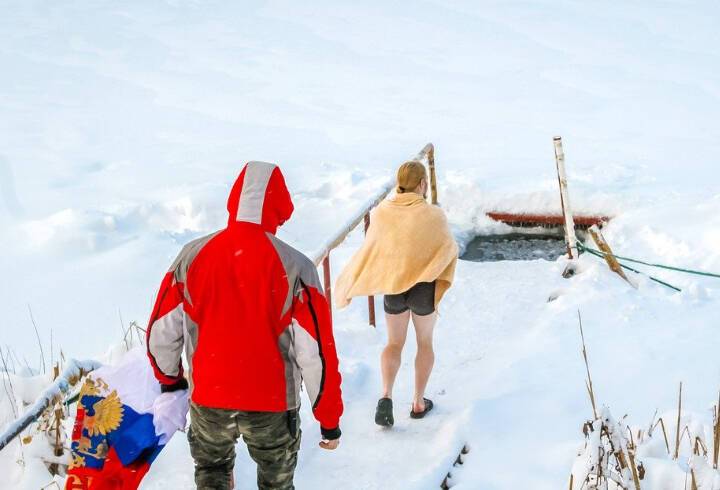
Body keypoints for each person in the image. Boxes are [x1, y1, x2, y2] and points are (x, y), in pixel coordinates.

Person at [146, 161, 343, 490]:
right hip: (273, 406)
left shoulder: (191, 256)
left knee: (212, 474)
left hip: (209, 400)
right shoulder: (297, 268)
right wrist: (328, 418)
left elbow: (161, 333)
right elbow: (315, 352)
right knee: (276, 483)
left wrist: (170, 381)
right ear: (279, 207)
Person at [334, 160, 457, 427]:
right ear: (423, 184)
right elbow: (448, 249)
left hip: (394, 286)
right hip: (423, 288)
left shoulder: (382, 212)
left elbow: (374, 247)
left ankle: (386, 396)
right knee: (424, 343)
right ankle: (418, 402)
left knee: (393, 343)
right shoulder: (433, 215)